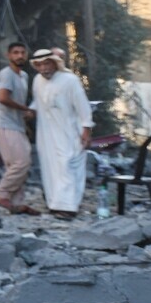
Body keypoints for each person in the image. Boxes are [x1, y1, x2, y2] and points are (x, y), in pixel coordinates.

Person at [31, 48, 92, 219]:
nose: (44, 68)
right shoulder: (37, 81)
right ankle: (55, 203)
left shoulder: (70, 80)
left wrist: (86, 130)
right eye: (39, 65)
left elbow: (83, 106)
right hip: (46, 133)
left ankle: (69, 207)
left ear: (54, 63)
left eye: (47, 63)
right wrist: (29, 111)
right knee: (50, 168)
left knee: (67, 165)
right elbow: (38, 102)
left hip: (69, 132)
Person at [0, 42, 37, 214]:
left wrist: (25, 121)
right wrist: (26, 109)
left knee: (17, 165)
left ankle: (16, 203)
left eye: (23, 52)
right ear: (8, 56)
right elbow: (3, 98)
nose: (20, 56)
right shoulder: (6, 74)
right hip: (4, 124)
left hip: (16, 125)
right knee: (21, 162)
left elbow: (17, 102)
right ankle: (0, 194)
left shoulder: (23, 76)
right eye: (15, 53)